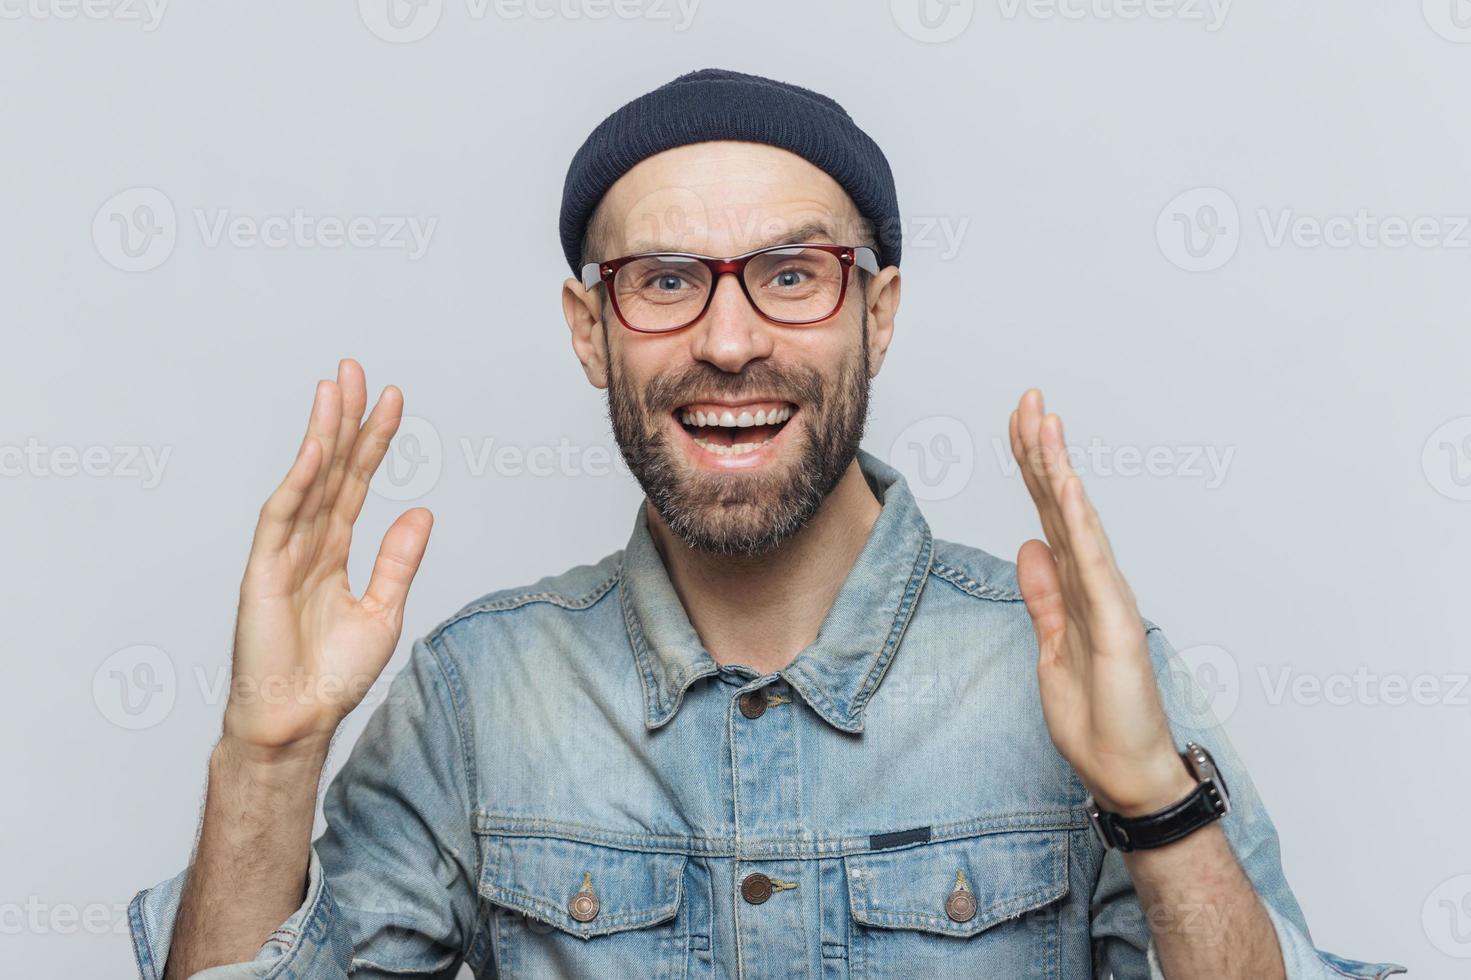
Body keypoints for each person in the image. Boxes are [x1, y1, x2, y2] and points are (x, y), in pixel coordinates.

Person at [129, 68, 1404, 979]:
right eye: (665, 282)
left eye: (792, 275)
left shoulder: (1077, 670)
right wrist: (269, 753)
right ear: (591, 333)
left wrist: (1151, 798)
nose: (729, 340)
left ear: (878, 313)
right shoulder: (477, 695)